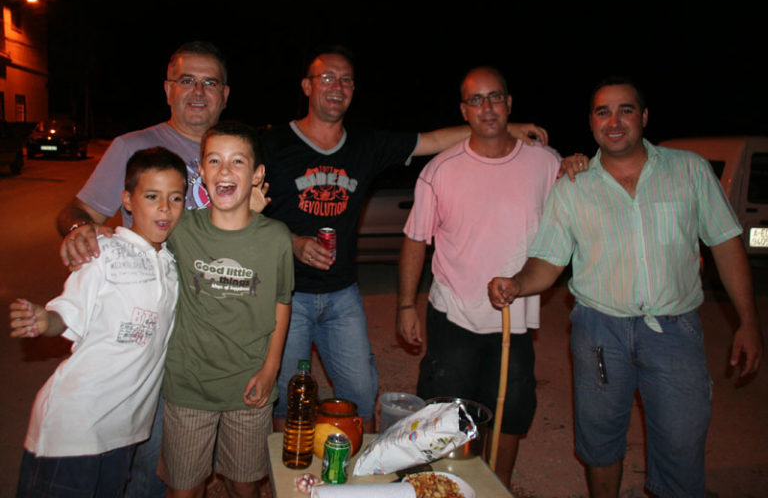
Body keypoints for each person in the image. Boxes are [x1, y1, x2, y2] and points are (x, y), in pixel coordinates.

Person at [488, 77, 763, 498]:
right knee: (600, 443)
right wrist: (517, 283)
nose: (614, 121)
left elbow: (726, 244)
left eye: (625, 110)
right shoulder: (573, 186)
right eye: (603, 111)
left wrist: (748, 321)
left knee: (682, 444)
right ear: (592, 122)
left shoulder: (688, 170)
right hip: (599, 332)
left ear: (644, 117)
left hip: (674, 332)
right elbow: (549, 262)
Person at [263, 47, 550, 432]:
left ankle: (357, 480)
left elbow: (431, 140)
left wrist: (503, 128)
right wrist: (294, 241)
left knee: (362, 396)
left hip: (342, 294)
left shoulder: (365, 144)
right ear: (307, 86)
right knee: (288, 399)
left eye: (346, 79)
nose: (337, 86)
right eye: (326, 78)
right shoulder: (273, 144)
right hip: (287, 294)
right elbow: (247, 216)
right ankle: (290, 485)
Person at [55, 40, 230, 497]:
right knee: (142, 463)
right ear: (167, 89)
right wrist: (79, 230)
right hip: (150, 336)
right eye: (186, 80)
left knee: (189, 464)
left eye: (209, 82)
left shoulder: (235, 153)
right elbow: (77, 210)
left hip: (209, 332)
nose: (198, 91)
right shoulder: (132, 146)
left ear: (224, 94)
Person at [396, 67, 565, 487]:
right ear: (463, 111)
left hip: (516, 320)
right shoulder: (440, 171)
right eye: (476, 100)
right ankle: (450, 485)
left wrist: (577, 164)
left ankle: (498, 487)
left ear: (509, 103)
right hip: (455, 315)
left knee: (512, 410)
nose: (486, 107)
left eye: (494, 98)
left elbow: (568, 224)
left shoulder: (545, 164)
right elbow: (416, 240)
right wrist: (405, 305)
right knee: (449, 411)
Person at [9, 148, 187, 497]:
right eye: (152, 197)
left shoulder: (171, 263)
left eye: (175, 198)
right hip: (74, 428)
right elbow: (69, 312)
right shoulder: (103, 251)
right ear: (128, 200)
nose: (165, 208)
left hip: (125, 432)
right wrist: (46, 320)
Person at [158, 121, 293, 498]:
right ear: (200, 172)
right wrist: (92, 231)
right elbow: (138, 233)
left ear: (257, 175)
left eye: (237, 161)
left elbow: (282, 303)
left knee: (244, 484)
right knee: (183, 488)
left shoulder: (276, 238)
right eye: (214, 161)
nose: (225, 171)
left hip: (249, 388)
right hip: (189, 386)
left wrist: (271, 370)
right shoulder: (181, 229)